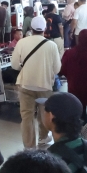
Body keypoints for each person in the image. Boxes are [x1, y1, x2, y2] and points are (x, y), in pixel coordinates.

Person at [10, 16, 61, 148]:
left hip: (26, 84)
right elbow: (57, 69)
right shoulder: (52, 45)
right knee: (44, 113)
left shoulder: (22, 42)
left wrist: (25, 67)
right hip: (44, 86)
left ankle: (29, 145)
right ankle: (43, 138)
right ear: (45, 29)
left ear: (31, 29)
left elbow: (15, 65)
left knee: (27, 116)